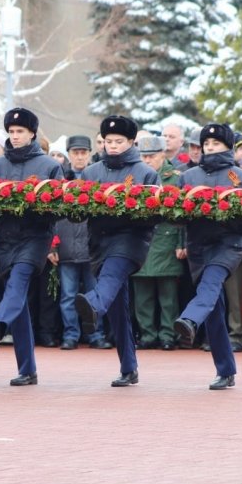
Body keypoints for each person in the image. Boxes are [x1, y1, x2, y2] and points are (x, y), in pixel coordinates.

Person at [173, 123, 242, 389]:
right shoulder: (188, 176)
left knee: (210, 283)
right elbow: (176, 216)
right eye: (207, 144)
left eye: (216, 143)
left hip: (228, 244)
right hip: (199, 246)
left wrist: (240, 211)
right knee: (214, 308)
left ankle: (189, 319)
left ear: (229, 146)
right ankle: (225, 370)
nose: (210, 148)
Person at [75, 116, 159, 386]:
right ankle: (128, 367)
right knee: (118, 309)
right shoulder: (91, 172)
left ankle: (92, 304)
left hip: (130, 240)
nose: (112, 146)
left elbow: (155, 212)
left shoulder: (145, 172)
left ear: (131, 142)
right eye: (108, 141)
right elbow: (78, 209)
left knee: (110, 280)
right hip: (100, 242)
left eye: (118, 142)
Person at [0, 107, 64, 386]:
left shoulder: (49, 166)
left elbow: (60, 207)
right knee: (17, 300)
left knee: (18, 284)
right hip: (5, 239)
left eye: (21, 132)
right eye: (12, 132)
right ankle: (26, 368)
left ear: (32, 133)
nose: (15, 136)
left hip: (35, 236)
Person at [53, 134, 112, 350]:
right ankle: (71, 335)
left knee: (95, 295)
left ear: (89, 154)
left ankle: (96, 334)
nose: (79, 157)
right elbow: (50, 216)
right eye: (75, 153)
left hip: (93, 248)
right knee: (68, 296)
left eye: (83, 153)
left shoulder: (98, 178)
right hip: (66, 248)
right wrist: (52, 245)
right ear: (69, 155)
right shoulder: (60, 182)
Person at [131, 135, 184, 351]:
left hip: (168, 240)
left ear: (163, 154)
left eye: (152, 156)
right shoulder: (134, 176)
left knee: (168, 296)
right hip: (140, 240)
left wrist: (182, 243)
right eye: (143, 156)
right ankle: (147, 334)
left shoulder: (176, 177)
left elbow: (183, 214)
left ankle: (168, 335)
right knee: (142, 295)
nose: (147, 160)